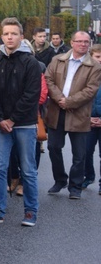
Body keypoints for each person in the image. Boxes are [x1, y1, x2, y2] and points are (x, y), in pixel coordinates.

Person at [0, 17, 42, 228]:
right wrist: (0, 119)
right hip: (0, 124)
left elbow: (31, 95)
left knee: (28, 170)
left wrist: (12, 119)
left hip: (24, 124)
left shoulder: (31, 63)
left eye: (13, 34)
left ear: (21, 37)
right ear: (1, 36)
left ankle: (30, 211)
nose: (9, 37)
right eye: (6, 34)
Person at [44, 31, 101, 199]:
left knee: (79, 153)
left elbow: (91, 90)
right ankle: (60, 179)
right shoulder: (57, 60)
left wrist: (69, 102)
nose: (83, 44)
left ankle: (75, 186)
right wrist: (60, 99)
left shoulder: (95, 66)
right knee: (53, 147)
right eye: (79, 41)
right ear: (72, 42)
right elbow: (48, 80)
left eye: (86, 42)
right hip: (57, 112)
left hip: (80, 113)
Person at [84, 44, 101, 193]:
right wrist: (87, 117)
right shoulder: (85, 74)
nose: (100, 60)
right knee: (85, 152)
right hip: (88, 119)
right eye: (97, 56)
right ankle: (88, 176)